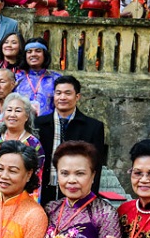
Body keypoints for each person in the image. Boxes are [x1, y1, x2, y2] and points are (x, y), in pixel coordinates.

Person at [36, 75, 106, 205]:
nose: (62, 97)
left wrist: (90, 199)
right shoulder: (38, 124)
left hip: (76, 189)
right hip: (43, 189)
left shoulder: (93, 127)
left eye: (67, 93)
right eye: (58, 93)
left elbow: (96, 165)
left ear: (77, 97)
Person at [0, 93, 45, 200]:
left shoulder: (34, 144)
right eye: (9, 110)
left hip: (23, 199)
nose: (12, 114)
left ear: (27, 116)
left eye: (18, 111)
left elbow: (37, 179)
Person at [14, 37, 60, 117]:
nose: (33, 54)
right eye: (29, 52)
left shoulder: (56, 78)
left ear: (45, 54)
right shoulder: (17, 78)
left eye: (38, 51)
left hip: (49, 123)